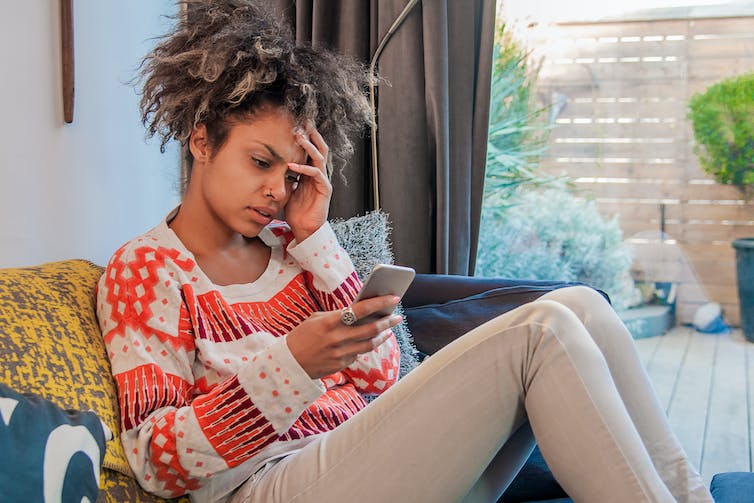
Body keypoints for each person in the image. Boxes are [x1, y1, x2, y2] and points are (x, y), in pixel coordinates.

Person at [96, 1, 713, 502]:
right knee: (542, 328)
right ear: (201, 140)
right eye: (260, 162)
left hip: (363, 457)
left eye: (291, 174)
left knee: (580, 305)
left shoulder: (290, 247)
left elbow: (379, 375)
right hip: (269, 483)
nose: (275, 190)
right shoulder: (146, 270)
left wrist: (316, 237)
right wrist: (294, 363)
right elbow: (155, 459)